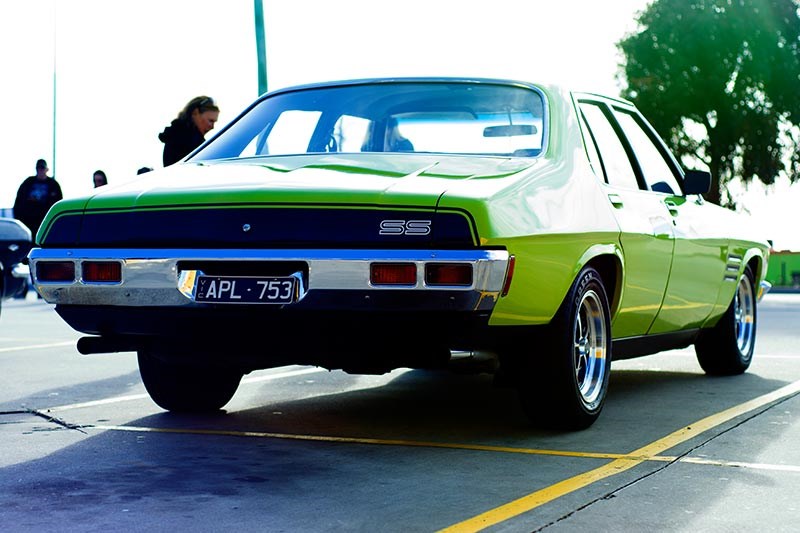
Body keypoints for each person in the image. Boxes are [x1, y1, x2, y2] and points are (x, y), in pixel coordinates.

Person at [158, 96, 220, 166]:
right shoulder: (186, 139)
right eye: (210, 121)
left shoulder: (175, 134)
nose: (212, 127)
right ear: (195, 113)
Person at [13, 158, 63, 238]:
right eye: (38, 168)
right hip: (29, 223)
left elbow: (58, 203)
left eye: (42, 168)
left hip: (46, 223)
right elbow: (19, 202)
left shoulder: (53, 185)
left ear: (46, 169)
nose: (40, 171)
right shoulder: (28, 183)